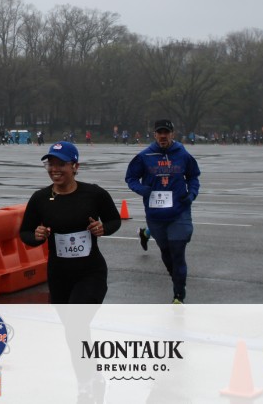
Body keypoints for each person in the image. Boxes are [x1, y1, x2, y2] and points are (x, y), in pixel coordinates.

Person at [19, 141, 121, 303]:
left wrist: (103, 228)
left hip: (91, 272)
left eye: (61, 164)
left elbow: (114, 220)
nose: (54, 169)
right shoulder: (40, 198)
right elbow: (25, 232)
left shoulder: (94, 194)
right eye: (50, 164)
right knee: (67, 318)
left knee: (78, 314)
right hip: (58, 274)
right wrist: (37, 237)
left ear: (75, 166)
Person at [125, 119, 201, 304]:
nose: (163, 136)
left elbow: (193, 176)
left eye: (166, 132)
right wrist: (142, 189)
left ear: (172, 134)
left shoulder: (182, 154)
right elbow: (131, 178)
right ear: (154, 135)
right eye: (160, 132)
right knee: (166, 254)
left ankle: (178, 295)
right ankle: (177, 280)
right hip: (156, 215)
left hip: (179, 212)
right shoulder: (145, 156)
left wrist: (191, 194)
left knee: (177, 252)